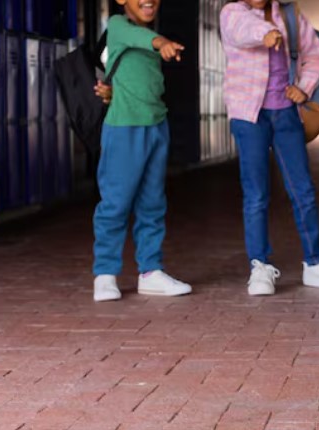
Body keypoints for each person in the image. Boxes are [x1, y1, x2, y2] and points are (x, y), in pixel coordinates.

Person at [219, 0, 319, 296]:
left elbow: (317, 55)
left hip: (285, 114)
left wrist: (303, 87)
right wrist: (266, 34)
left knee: (302, 190)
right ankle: (260, 267)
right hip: (248, 115)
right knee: (256, 195)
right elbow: (242, 31)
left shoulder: (291, 16)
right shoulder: (232, 13)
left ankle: (315, 264)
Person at [91, 0, 192, 302]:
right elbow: (141, 39)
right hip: (124, 129)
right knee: (116, 204)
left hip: (156, 125)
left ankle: (150, 271)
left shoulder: (149, 32)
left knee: (152, 204)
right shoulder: (119, 26)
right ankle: (105, 275)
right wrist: (161, 43)